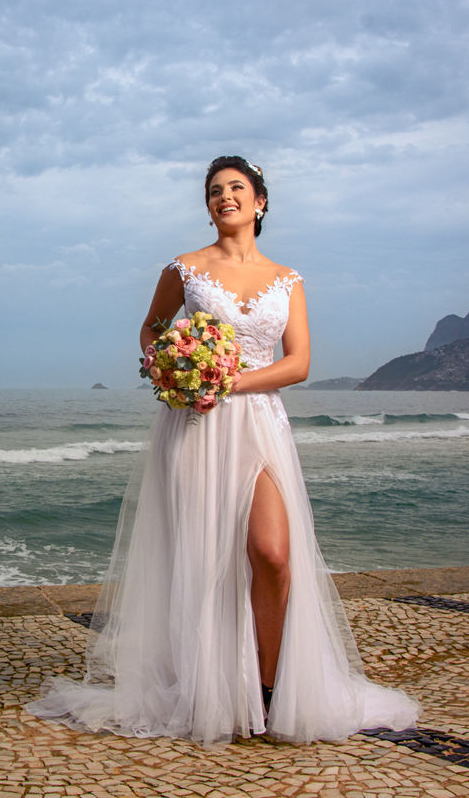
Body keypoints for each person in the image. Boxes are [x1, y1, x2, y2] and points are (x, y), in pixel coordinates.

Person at [26, 155, 420, 746]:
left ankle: (268, 685)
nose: (224, 196)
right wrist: (177, 370)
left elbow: (299, 363)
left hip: (257, 422)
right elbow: (152, 331)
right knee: (203, 560)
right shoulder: (184, 269)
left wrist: (225, 380)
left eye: (236, 188)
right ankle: (207, 685)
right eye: (214, 190)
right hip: (196, 427)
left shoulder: (288, 280)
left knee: (272, 553)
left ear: (260, 202)